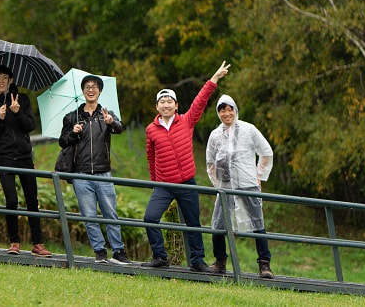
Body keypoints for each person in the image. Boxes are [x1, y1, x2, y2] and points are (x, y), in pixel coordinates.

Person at [141, 61, 230, 272]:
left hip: (187, 183)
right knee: (150, 218)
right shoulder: (151, 130)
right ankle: (160, 257)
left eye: (169, 101)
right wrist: (155, 182)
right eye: (162, 102)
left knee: (193, 224)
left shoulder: (186, 121)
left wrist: (214, 78)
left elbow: (200, 101)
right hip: (163, 184)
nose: (165, 105)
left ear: (176, 105)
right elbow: (151, 158)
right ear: (157, 107)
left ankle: (197, 261)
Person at [0, 65, 52, 258]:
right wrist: (1, 118)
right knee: (11, 200)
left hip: (24, 157)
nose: (1, 81)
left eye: (5, 77)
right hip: (4, 158)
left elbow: (30, 126)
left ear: (11, 80)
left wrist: (17, 112)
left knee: (32, 200)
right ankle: (14, 241)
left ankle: (37, 243)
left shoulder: (23, 99)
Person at [59, 75, 130, 264]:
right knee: (89, 216)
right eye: (87, 87)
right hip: (80, 174)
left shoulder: (107, 114)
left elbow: (120, 128)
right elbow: (62, 142)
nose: (91, 89)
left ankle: (119, 251)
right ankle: (99, 251)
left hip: (103, 173)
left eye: (94, 87)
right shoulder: (72, 117)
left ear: (99, 91)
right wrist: (73, 133)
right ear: (83, 91)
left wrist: (110, 122)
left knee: (110, 214)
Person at [206, 94, 274, 278]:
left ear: (235, 110)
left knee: (257, 223)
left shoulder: (248, 130)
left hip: (247, 185)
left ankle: (264, 265)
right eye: (222, 110)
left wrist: (258, 175)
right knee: (218, 225)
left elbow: (266, 152)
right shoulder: (215, 135)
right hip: (225, 188)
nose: (226, 113)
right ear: (218, 112)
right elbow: (210, 162)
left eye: (229, 109)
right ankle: (220, 261)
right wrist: (217, 184)